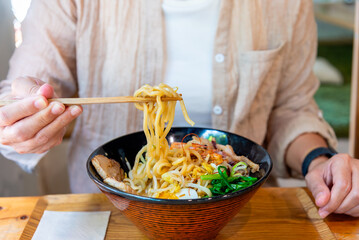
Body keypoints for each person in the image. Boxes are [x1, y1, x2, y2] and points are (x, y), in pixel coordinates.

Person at [0, 0, 358, 218]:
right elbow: (24, 92)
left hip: (241, 216)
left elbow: (291, 108)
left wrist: (321, 162)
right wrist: (25, 117)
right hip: (110, 215)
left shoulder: (286, 4)